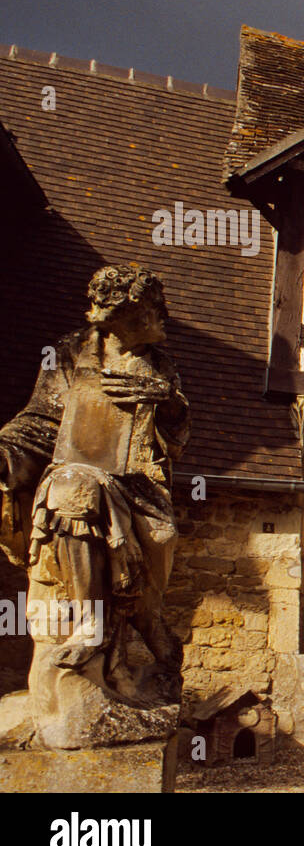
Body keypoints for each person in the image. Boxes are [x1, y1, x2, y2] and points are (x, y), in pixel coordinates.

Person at [0, 265, 189, 713]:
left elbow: (176, 442)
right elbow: (40, 424)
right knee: (72, 492)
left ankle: (155, 643)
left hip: (140, 486)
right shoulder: (72, 354)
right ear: (125, 314)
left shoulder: (161, 365)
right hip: (77, 475)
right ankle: (90, 624)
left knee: (155, 556)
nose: (163, 316)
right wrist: (6, 452)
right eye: (153, 308)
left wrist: (166, 401)